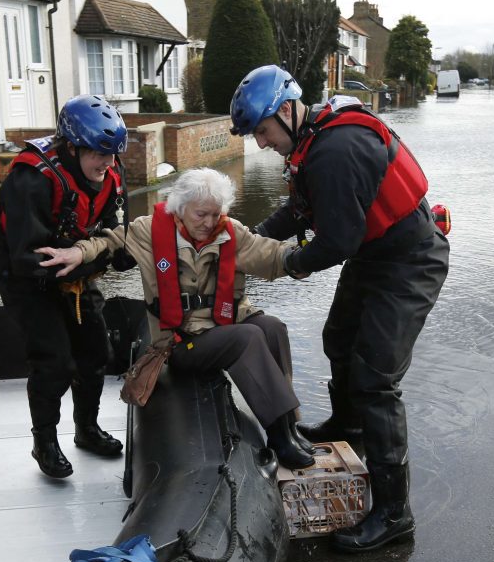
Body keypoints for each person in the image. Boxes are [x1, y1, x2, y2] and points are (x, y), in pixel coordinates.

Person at [229, 65, 449, 552]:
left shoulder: (334, 151)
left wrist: (287, 262)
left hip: (411, 260)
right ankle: (350, 427)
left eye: (262, 131)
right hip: (378, 252)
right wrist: (250, 240)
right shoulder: (311, 143)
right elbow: (300, 211)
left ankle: (395, 513)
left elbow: (338, 240)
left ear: (287, 111)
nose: (261, 143)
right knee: (339, 337)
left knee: (375, 377)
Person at [35, 168, 316, 470]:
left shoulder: (229, 231)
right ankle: (277, 437)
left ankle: (288, 425)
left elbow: (269, 253)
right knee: (247, 337)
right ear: (180, 208)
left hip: (222, 327)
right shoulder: (148, 231)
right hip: (183, 343)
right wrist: (78, 253)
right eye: (201, 215)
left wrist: (300, 259)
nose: (209, 223)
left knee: (272, 327)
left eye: (215, 215)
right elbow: (108, 242)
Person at [0, 95, 129, 479]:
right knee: (53, 361)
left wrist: (112, 253)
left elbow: (111, 230)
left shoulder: (108, 176)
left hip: (76, 272)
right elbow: (29, 258)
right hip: (25, 277)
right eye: (99, 154)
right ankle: (45, 443)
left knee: (96, 351)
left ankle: (86, 430)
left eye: (113, 154)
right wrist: (94, 258)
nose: (108, 163)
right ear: (71, 146)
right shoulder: (31, 180)